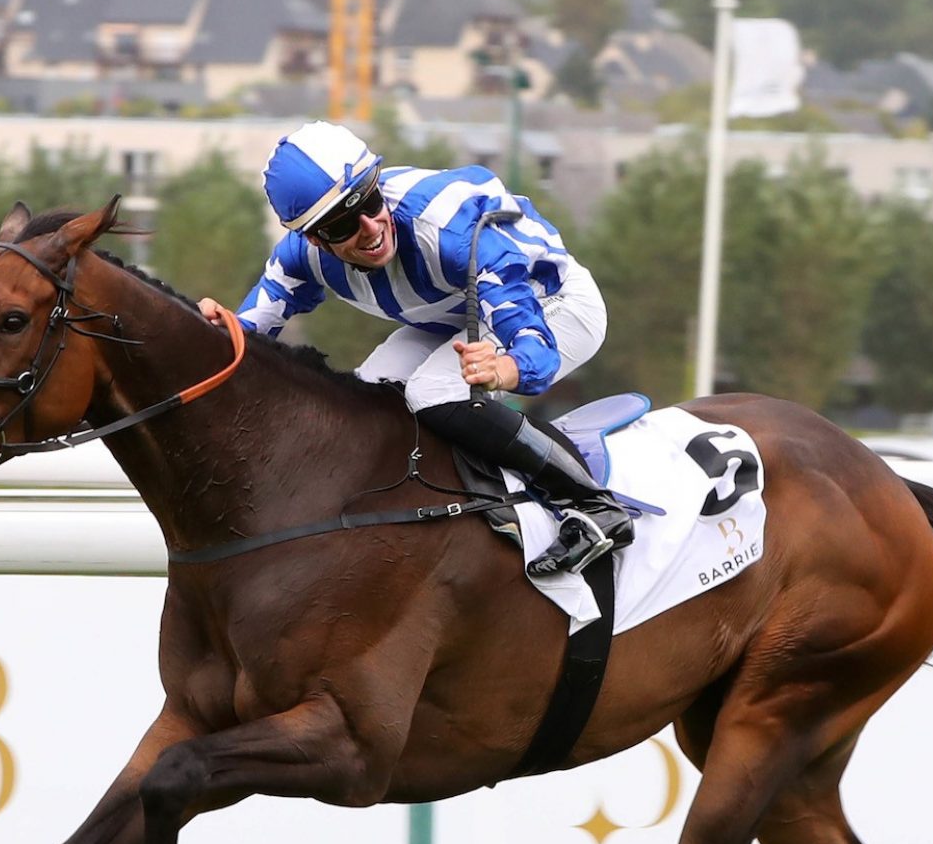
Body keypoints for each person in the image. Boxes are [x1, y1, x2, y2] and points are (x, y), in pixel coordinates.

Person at [195, 121, 631, 578]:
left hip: (551, 303)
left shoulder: (449, 231)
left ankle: (590, 505)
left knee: (431, 392)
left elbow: (533, 347)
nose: (370, 227)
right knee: (366, 395)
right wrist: (202, 326)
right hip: (451, 316)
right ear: (313, 240)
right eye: (344, 223)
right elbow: (243, 341)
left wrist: (505, 369)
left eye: (369, 201)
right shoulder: (299, 258)